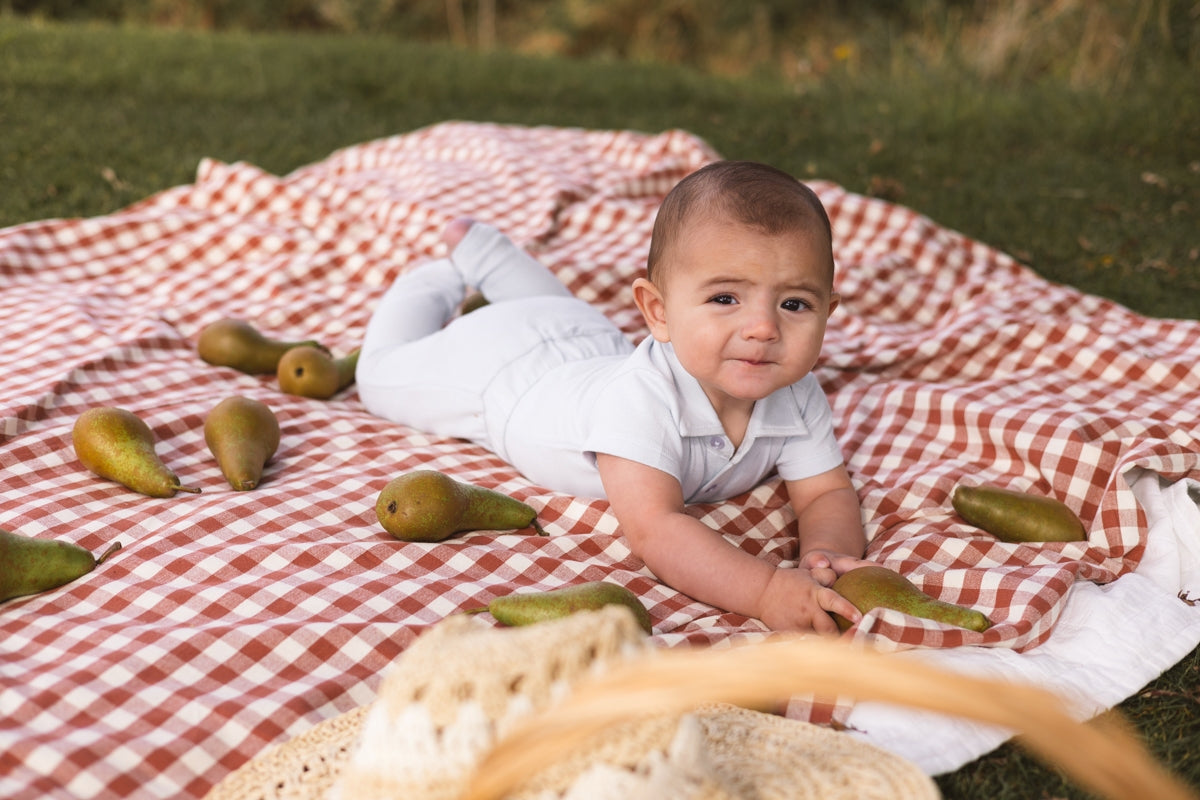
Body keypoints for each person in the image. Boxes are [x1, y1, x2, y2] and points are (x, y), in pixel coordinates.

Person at [357, 160, 870, 633]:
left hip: (590, 340)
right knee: (378, 376)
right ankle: (438, 273)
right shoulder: (642, 400)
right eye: (725, 298)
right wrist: (765, 590)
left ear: (829, 310)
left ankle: (484, 249)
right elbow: (658, 529)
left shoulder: (797, 393)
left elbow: (824, 492)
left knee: (553, 308)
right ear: (658, 312)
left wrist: (829, 553)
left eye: (795, 303)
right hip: (505, 369)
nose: (762, 327)